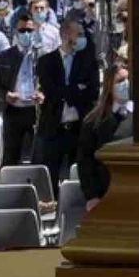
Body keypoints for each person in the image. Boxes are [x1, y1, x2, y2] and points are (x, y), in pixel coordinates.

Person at [36, 20, 99, 189]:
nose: (82, 38)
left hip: (79, 127)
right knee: (51, 171)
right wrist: (76, 89)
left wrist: (66, 91)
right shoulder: (46, 62)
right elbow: (51, 92)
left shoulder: (88, 62)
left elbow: (92, 92)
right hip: (53, 126)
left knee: (78, 172)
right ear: (65, 35)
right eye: (78, 34)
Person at [77, 62, 133, 212]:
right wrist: (92, 195)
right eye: (120, 81)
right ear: (110, 86)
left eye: (128, 79)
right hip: (105, 192)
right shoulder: (94, 121)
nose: (126, 84)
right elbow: (85, 160)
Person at [0, 12, 43, 167]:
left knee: (38, 154)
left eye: (29, 30)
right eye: (22, 31)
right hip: (13, 110)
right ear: (15, 31)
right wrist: (6, 95)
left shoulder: (43, 55)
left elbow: (52, 84)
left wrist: (42, 95)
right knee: (11, 155)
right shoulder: (6, 55)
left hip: (36, 112)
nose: (26, 34)